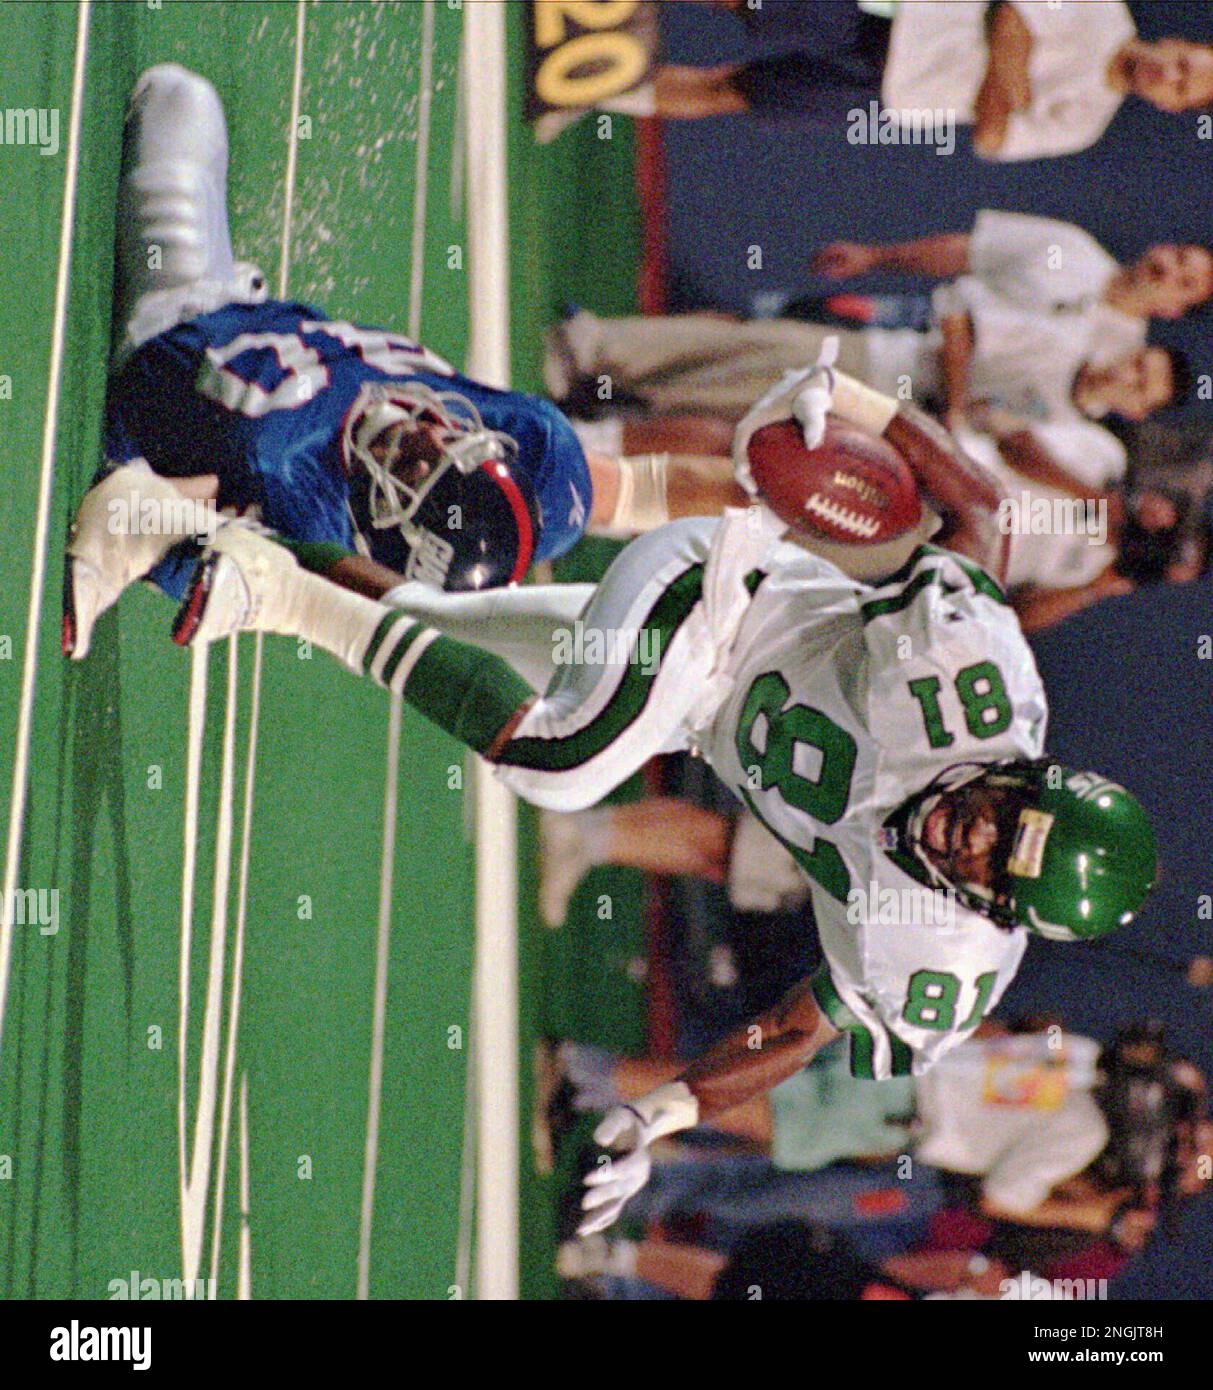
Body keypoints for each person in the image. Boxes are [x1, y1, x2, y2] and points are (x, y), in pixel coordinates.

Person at [155, 364, 1158, 1237]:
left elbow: (798, 1028)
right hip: (720, 607)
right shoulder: (964, 675)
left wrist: (657, 1116)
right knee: (561, 764)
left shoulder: (944, 957)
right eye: (1002, 817)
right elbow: (980, 508)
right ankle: (278, 597)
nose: (972, 835)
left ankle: (213, 515)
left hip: (692, 714)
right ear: (1027, 773)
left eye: (992, 865)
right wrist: (852, 397)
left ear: (996, 910)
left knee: (429, 618)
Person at [63, 64, 748, 661]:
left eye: (420, 468)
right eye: (452, 443)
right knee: (183, 97)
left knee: (175, 98)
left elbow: (143, 522)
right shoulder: (531, 456)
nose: (429, 432)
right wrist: (760, 491)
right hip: (231, 306)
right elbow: (639, 492)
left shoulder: (305, 514)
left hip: (168, 325)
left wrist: (110, 559)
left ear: (396, 523)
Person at [641, 2, 1213, 161]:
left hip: (889, 98)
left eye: (1181, 88)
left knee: (730, 92)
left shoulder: (1086, 125)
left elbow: (990, 139)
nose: (1171, 75)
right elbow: (1013, 20)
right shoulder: (1100, 8)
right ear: (1179, 43)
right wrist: (1009, 86)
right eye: (1185, 64)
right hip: (893, 13)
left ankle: (585, 89)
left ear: (1170, 106)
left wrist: (1009, 49)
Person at [813, 215, 1213, 323]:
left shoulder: (1128, 362)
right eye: (1178, 256)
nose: (1169, 270)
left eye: (1185, 282)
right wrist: (873, 257)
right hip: (900, 324)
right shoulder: (1072, 244)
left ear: (1173, 310)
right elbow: (966, 253)